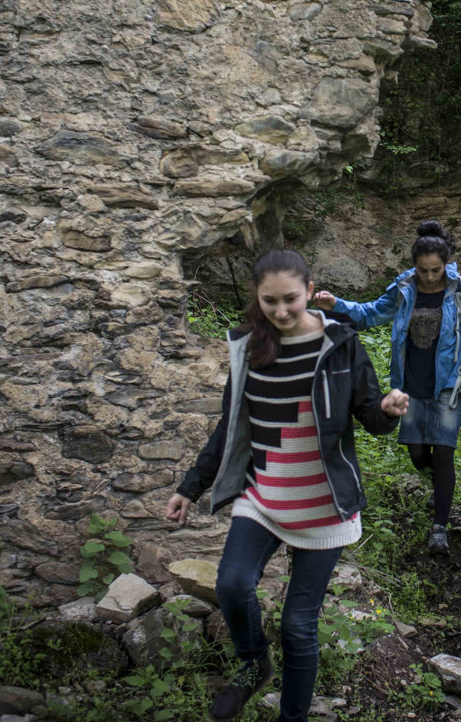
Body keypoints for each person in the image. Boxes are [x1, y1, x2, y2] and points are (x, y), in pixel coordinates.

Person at [163, 248, 409, 722]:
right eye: (270, 301)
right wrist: (190, 487)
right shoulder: (249, 347)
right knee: (233, 585)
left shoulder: (341, 343)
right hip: (264, 496)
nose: (280, 311)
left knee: (298, 626)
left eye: (290, 300)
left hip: (324, 506)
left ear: (311, 289)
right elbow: (230, 427)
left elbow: (369, 413)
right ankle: (253, 663)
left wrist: (388, 410)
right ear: (258, 296)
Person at [313, 220, 461, 556]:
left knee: (443, 451)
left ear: (446, 264)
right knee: (418, 454)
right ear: (415, 266)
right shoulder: (404, 287)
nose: (430, 277)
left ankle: (439, 529)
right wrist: (337, 305)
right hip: (409, 384)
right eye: (424, 270)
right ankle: (442, 491)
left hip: (451, 383)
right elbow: (371, 314)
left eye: (436, 270)